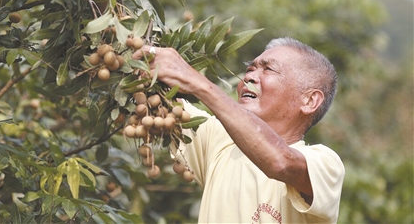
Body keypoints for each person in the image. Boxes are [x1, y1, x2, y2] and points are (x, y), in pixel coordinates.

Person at [132, 38, 345, 223]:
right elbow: (143, 74)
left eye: (268, 69)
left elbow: (281, 164)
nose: (249, 78)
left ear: (309, 100)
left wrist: (196, 82)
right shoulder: (218, 141)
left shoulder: (325, 164)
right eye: (250, 69)